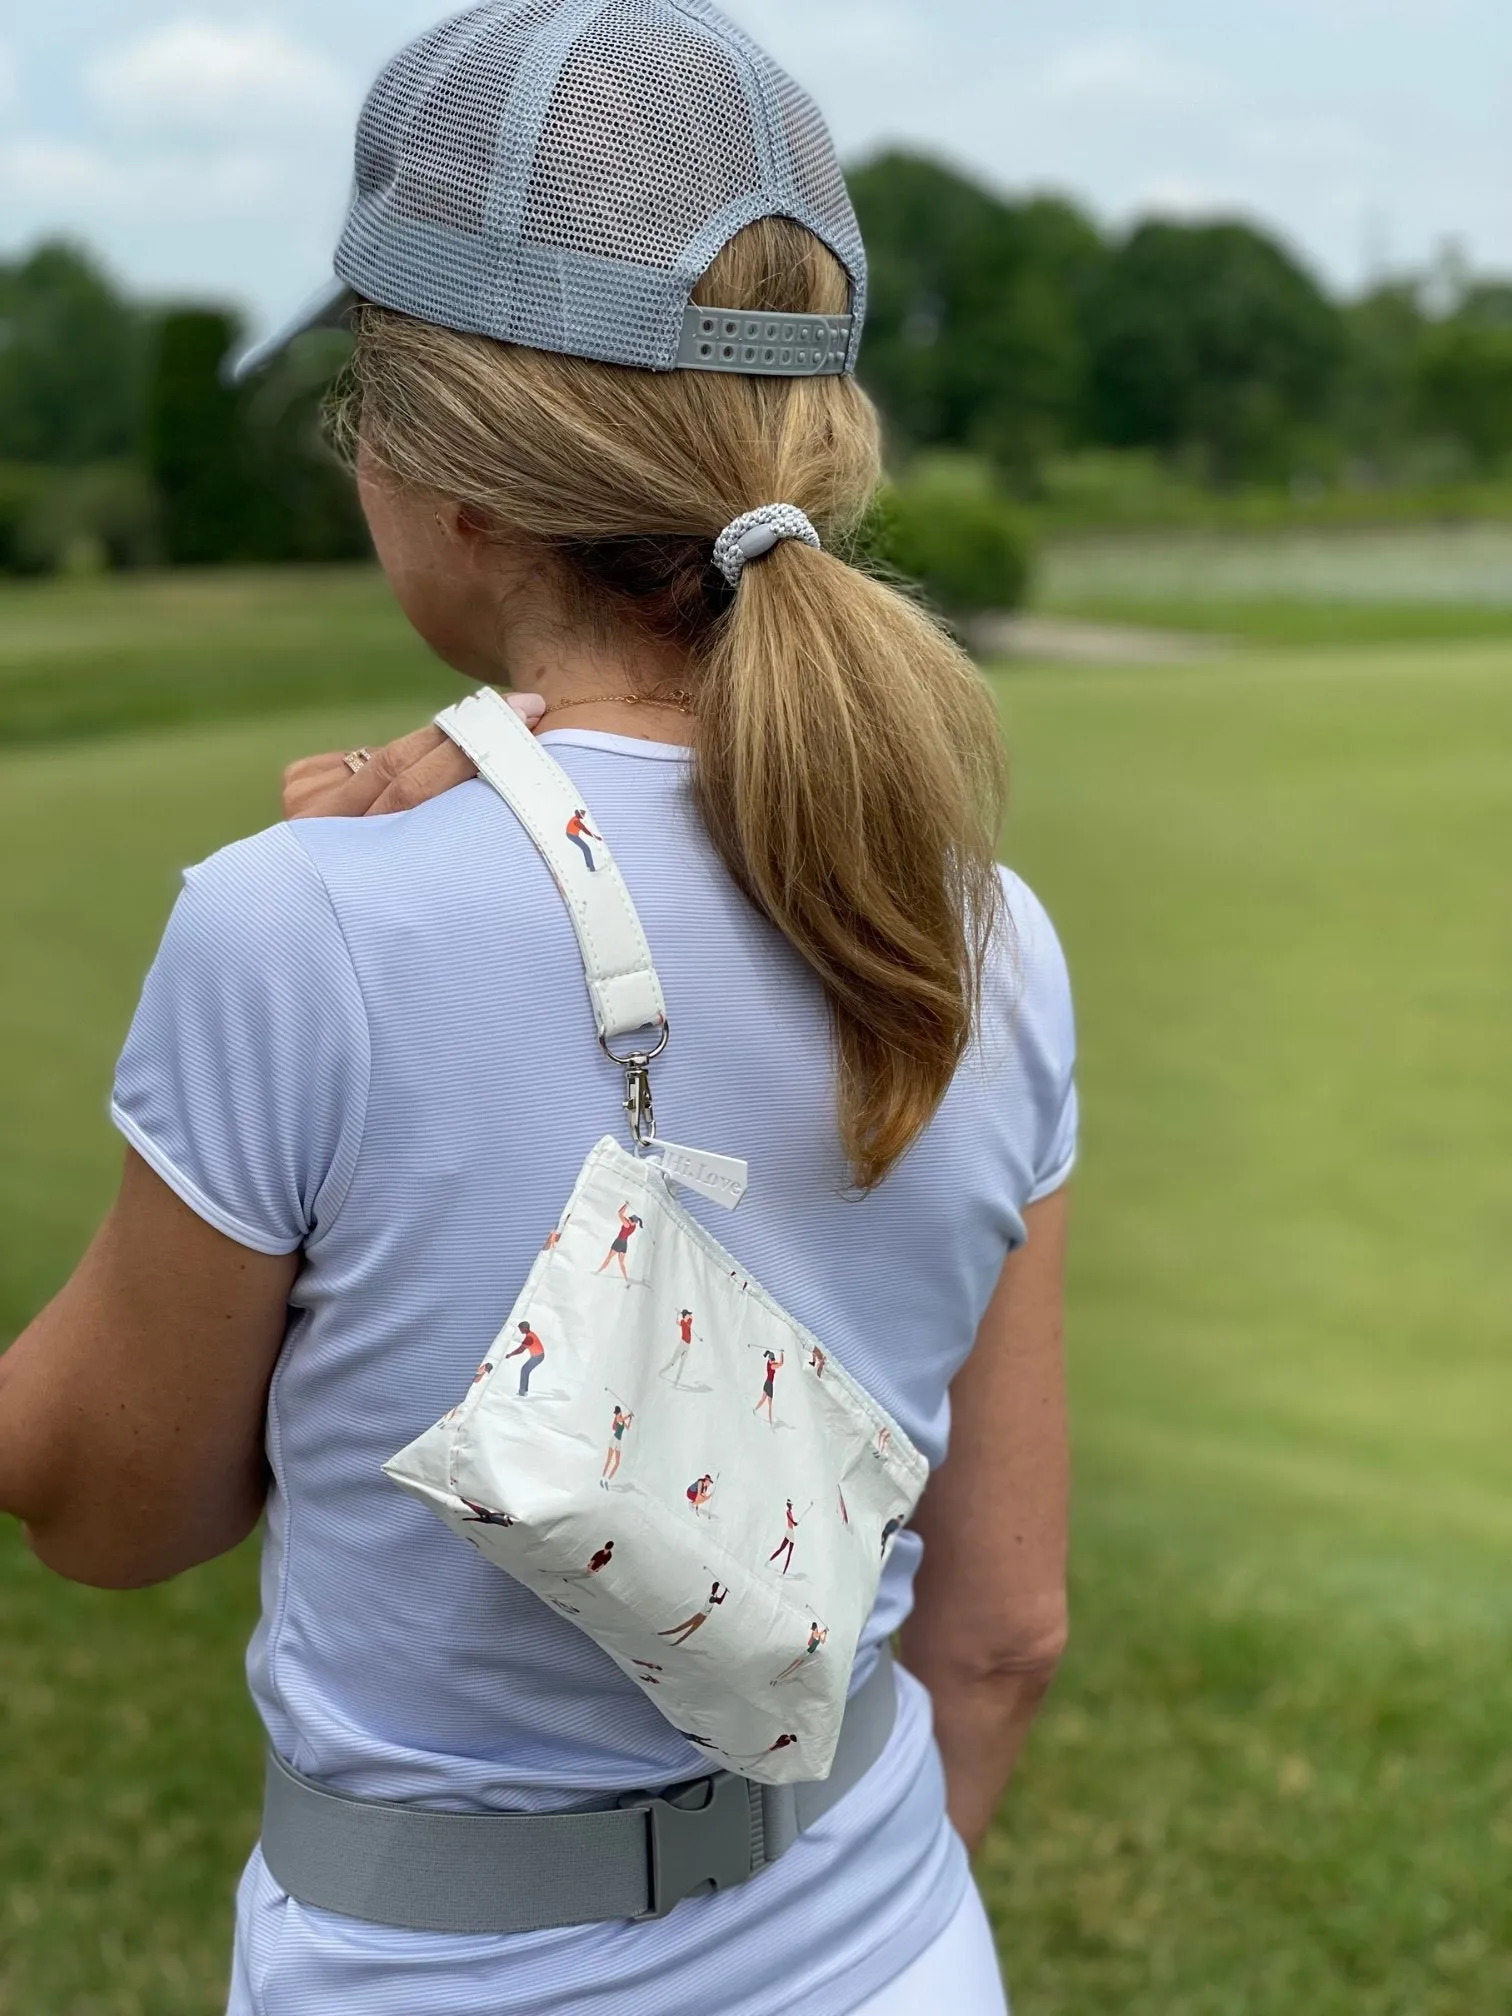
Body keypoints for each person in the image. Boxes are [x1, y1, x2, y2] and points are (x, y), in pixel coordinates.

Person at [0, 8, 1075, 2013]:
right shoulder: (984, 925)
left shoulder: (297, 927)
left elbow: (111, 1506)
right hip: (897, 1949)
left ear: (438, 478)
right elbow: (1003, 1631)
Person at [596, 1204, 643, 1281]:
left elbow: (619, 1214)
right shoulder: (633, 1226)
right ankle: (626, 1279)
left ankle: (598, 1271)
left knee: (609, 1257)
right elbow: (621, 1215)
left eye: (631, 1220)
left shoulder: (627, 1224)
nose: (629, 1219)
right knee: (621, 1263)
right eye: (630, 1219)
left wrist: (626, 1205)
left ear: (634, 1223)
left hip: (619, 1242)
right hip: (624, 1244)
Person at [504, 1321, 545, 1396]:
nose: (520, 1330)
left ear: (525, 1328)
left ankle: (522, 1393)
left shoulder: (529, 1338)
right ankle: (524, 1391)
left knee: (524, 1370)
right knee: (525, 1370)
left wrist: (510, 1354)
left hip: (538, 1356)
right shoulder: (530, 1334)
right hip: (538, 1355)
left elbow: (520, 1350)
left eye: (521, 1329)